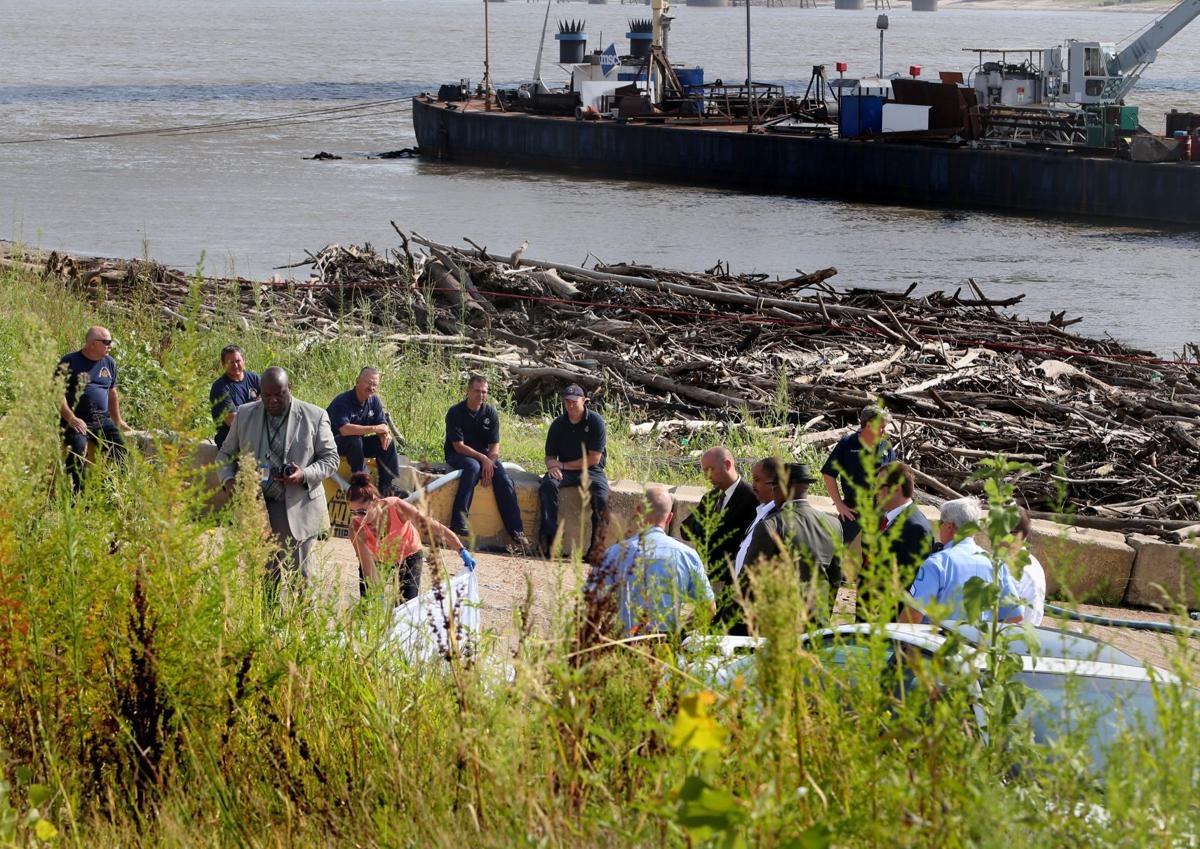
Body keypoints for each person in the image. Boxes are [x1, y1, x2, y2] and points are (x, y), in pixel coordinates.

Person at [217, 367, 339, 600]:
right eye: (267, 395)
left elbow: (331, 459)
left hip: (298, 505)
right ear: (259, 394)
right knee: (266, 577)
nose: (273, 400)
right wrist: (229, 480)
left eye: (279, 394)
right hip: (259, 509)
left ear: (289, 389)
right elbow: (225, 455)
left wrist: (304, 473)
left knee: (301, 578)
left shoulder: (315, 415)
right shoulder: (244, 414)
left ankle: (299, 631)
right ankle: (269, 630)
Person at [589, 484, 714, 636]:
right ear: (669, 518)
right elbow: (709, 609)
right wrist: (680, 632)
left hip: (624, 643)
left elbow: (591, 602)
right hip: (665, 646)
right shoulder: (687, 555)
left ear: (638, 512)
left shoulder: (614, 553)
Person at [345, 471, 476, 604]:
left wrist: (461, 550)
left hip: (408, 554)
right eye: (353, 512)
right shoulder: (355, 529)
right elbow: (367, 565)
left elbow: (433, 527)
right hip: (379, 559)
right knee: (369, 606)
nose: (358, 518)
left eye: (362, 512)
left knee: (406, 606)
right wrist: (377, 594)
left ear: (375, 502)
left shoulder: (396, 507)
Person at [742, 462, 842, 624]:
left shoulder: (771, 525)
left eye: (774, 486)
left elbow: (748, 581)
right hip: (817, 622)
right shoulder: (833, 525)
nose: (773, 493)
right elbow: (835, 578)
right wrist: (823, 616)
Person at [901, 497, 1024, 624]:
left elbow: (913, 616)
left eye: (940, 523)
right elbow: (1016, 614)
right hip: (978, 642)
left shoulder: (936, 563)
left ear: (950, 526)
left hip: (937, 641)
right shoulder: (996, 564)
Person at [444, 375, 531, 549]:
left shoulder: (490, 413)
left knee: (505, 480)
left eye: (484, 392)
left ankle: (517, 532)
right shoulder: (455, 412)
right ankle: (459, 522)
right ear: (468, 391)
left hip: (485, 457)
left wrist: (490, 461)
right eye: (477, 391)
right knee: (473, 468)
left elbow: (495, 446)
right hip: (458, 454)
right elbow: (458, 446)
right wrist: (484, 459)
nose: (481, 395)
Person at [58, 325, 132, 490]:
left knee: (122, 451)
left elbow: (112, 393)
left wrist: (118, 420)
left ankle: (115, 491)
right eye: (106, 342)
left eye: (111, 342)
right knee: (77, 451)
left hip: (102, 420)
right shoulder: (69, 361)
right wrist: (71, 418)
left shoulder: (109, 363)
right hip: (76, 421)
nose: (110, 346)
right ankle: (80, 495)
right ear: (92, 344)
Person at [858, 462, 933, 622]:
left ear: (896, 489)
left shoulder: (916, 528)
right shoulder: (883, 517)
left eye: (879, 486)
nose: (875, 491)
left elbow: (910, 584)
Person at [539, 384, 609, 555]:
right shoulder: (558, 424)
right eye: (567, 402)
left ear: (584, 401)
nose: (570, 406)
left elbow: (594, 458)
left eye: (574, 402)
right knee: (548, 486)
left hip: (591, 469)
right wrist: (552, 466)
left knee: (602, 497)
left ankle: (596, 548)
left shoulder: (595, 422)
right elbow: (549, 456)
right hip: (566, 470)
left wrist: (561, 465)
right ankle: (552, 543)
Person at [822, 405, 897, 552]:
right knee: (834, 549)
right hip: (852, 508)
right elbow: (828, 474)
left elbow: (894, 477)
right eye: (881, 427)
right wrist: (838, 504)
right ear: (868, 425)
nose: (884, 431)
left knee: (873, 554)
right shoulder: (847, 444)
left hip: (878, 509)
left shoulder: (886, 447)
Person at [681, 446, 759, 570]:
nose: (707, 477)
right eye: (704, 471)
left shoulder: (751, 498)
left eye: (710, 470)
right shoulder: (710, 497)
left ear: (727, 465)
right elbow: (685, 529)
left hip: (729, 576)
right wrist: (703, 527)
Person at [327, 367, 402, 496]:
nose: (371, 387)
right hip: (333, 444)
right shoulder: (342, 401)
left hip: (357, 445)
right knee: (354, 439)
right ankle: (362, 482)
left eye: (375, 384)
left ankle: (386, 486)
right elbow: (344, 430)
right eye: (368, 382)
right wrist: (375, 429)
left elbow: (382, 424)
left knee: (388, 443)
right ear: (357, 381)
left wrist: (384, 434)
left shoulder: (374, 401)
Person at [209, 345, 260, 449]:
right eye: (230, 362)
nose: (235, 365)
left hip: (256, 438)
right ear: (223, 364)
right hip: (230, 444)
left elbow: (271, 400)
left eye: (238, 361)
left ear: (243, 360)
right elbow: (233, 422)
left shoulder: (253, 378)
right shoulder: (220, 387)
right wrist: (258, 405)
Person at [1006, 506, 1046, 627]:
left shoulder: (1008, 567)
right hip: (1031, 631)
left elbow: (1010, 616)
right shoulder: (1033, 562)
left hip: (1010, 636)